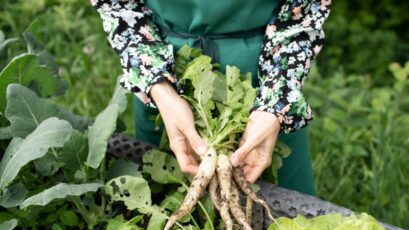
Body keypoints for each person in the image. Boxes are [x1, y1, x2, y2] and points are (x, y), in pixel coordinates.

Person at [91, 0, 331, 196]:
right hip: (164, 78)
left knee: (286, 216)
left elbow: (303, 13)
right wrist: (159, 87)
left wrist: (276, 104)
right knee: (164, 198)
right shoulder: (161, 87)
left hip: (265, 76)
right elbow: (118, 6)